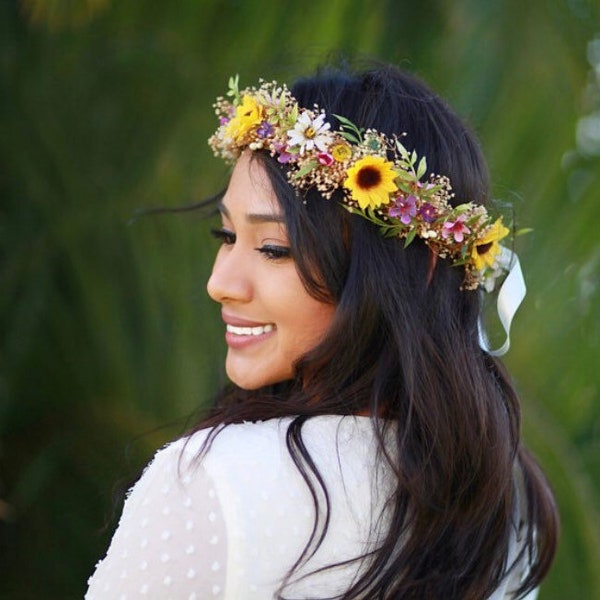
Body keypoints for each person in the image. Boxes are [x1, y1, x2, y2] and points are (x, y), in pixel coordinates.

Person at [86, 63, 559, 599]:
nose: (220, 283)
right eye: (226, 234)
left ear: (410, 270)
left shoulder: (209, 483)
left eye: (272, 249)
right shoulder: (497, 510)